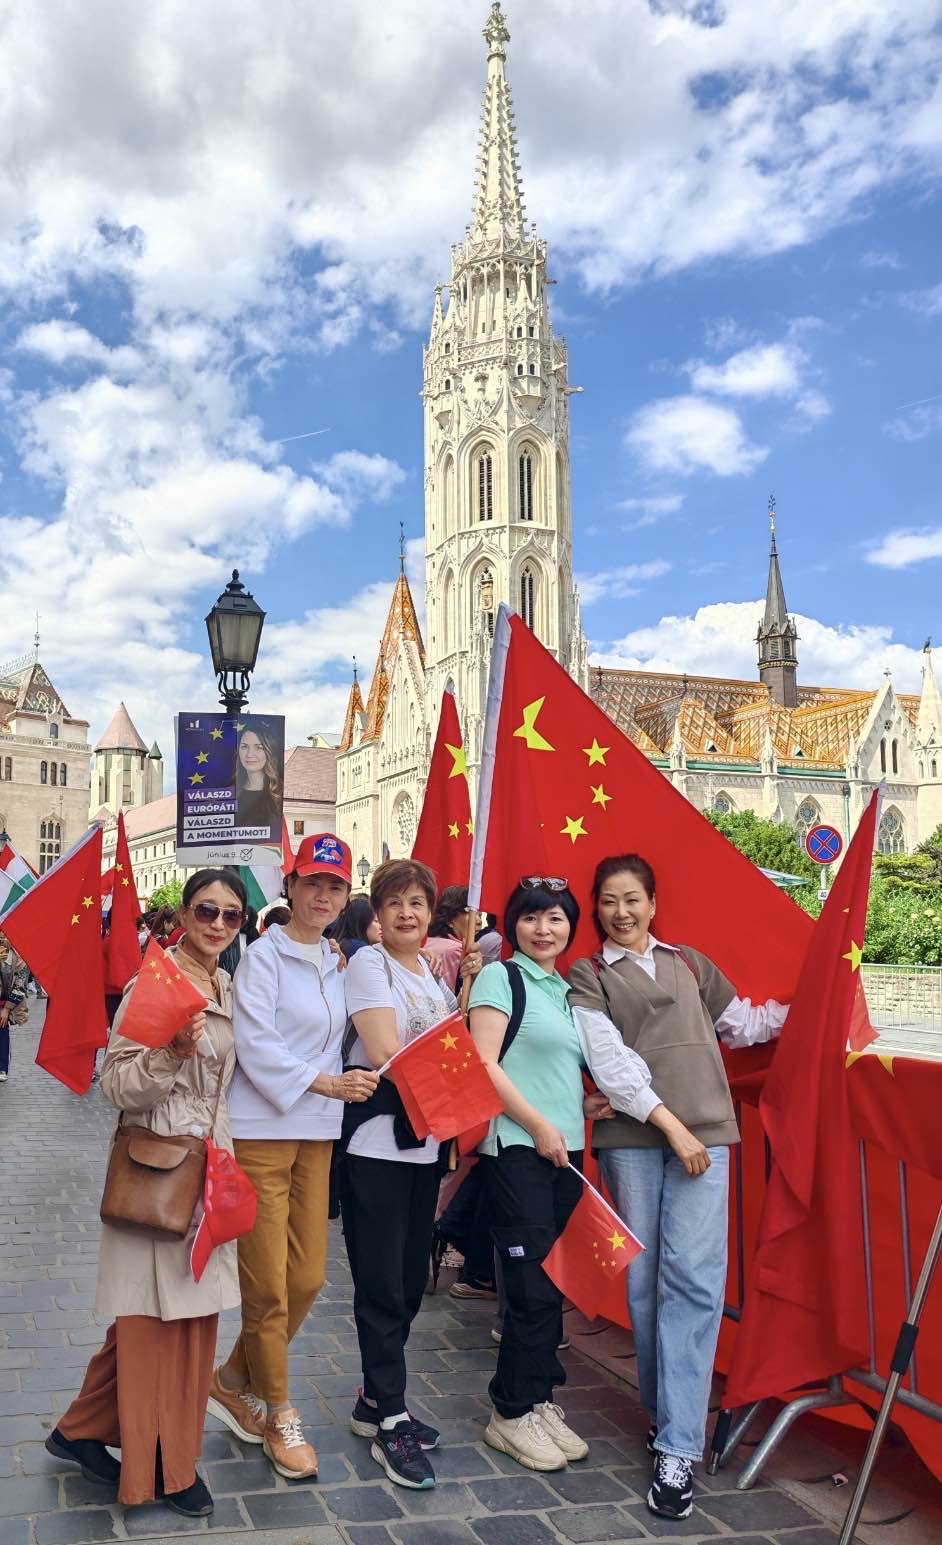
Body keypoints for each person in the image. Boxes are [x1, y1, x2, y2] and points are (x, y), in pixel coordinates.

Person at [567, 854, 787, 1521]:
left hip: (707, 1136)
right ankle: (667, 1415)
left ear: (653, 904)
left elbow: (744, 1024)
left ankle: (677, 1445)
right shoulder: (590, 975)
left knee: (694, 1279)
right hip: (636, 1140)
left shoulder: (690, 963)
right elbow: (610, 1062)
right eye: (609, 900)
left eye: (632, 898)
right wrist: (670, 1124)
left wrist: (812, 1005)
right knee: (646, 1283)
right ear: (597, 907)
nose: (622, 911)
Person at [48, 869, 248, 1517]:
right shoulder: (154, 982)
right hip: (160, 1170)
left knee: (172, 1317)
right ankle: (167, 1467)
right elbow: (116, 1085)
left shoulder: (223, 982)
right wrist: (170, 1053)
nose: (219, 923)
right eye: (206, 910)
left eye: (232, 914)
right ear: (183, 915)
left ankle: (81, 1428)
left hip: (203, 1170)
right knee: (160, 1325)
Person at [209, 834, 378, 1481]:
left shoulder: (336, 960)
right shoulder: (264, 957)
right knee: (267, 1284)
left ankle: (231, 1378)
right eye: (313, 882)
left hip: (317, 1132)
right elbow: (257, 1045)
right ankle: (278, 1410)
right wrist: (327, 1082)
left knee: (306, 1278)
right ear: (291, 886)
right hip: (263, 1129)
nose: (323, 895)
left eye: (335, 886)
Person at [341, 859, 465, 1491]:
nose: (408, 913)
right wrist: (453, 1074)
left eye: (418, 902)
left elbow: (453, 1046)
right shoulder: (371, 965)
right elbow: (386, 1050)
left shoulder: (433, 976)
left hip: (425, 1144)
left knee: (412, 1280)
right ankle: (392, 1415)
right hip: (378, 1146)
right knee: (382, 1284)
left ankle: (373, 1398)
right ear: (378, 913)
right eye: (396, 903)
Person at [468, 879, 595, 1474]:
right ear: (513, 924)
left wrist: (583, 1108)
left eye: (556, 918)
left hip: (564, 1154)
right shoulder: (502, 978)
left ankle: (540, 1397)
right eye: (531, 917)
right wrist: (539, 1124)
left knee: (552, 1285)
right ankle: (511, 1410)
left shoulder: (565, 991)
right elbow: (484, 1064)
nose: (544, 929)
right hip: (519, 1148)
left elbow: (551, 1071)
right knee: (530, 1286)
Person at [234, 725, 281, 834]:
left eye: (259, 747)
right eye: (244, 747)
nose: (249, 754)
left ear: (268, 751)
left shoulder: (278, 793)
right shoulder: (230, 793)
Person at [422, 885, 468, 992]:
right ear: (451, 919)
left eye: (479, 915)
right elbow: (452, 996)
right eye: (469, 913)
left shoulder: (427, 941)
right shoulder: (456, 950)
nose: (478, 921)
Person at [0, 932, 28, 1081]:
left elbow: (20, 984)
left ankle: (2, 1067)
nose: (3, 939)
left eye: (5, 936)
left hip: (5, 1002)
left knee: (2, 1028)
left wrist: (7, 1008)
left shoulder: (18, 956)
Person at [332, 893, 381, 959]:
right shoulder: (360, 948)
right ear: (363, 922)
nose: (381, 926)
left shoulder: (343, 942)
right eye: (376, 921)